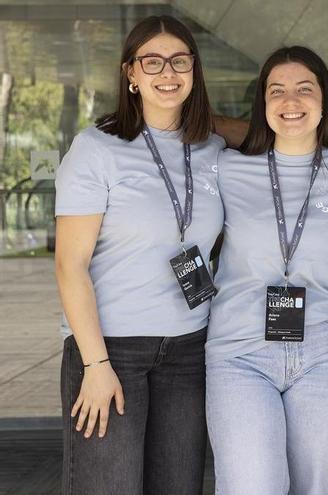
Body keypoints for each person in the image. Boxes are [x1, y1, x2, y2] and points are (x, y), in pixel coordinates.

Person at [54, 15, 223, 494]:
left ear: (194, 70)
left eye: (179, 61)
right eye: (153, 62)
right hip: (112, 350)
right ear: (131, 72)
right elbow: (70, 266)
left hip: (189, 349)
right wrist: (96, 365)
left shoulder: (211, 147)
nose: (167, 73)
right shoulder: (96, 148)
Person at [204, 45, 328, 495]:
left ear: (324, 100)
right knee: (251, 484)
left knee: (316, 485)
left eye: (304, 89)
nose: (290, 102)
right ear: (262, 103)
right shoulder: (227, 169)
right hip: (239, 351)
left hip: (324, 350)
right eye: (277, 91)